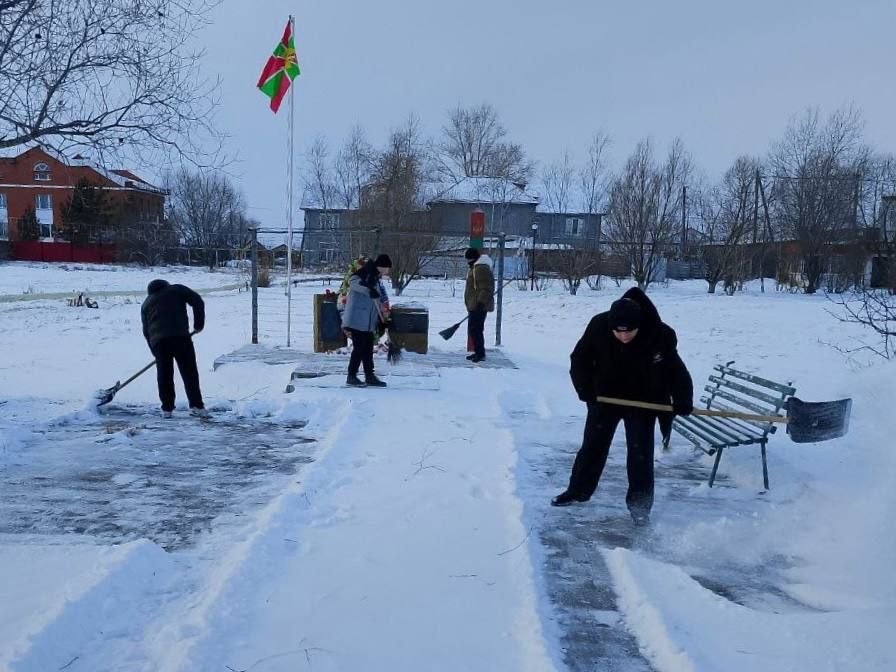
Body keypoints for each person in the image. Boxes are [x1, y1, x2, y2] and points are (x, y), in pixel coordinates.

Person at [551, 287, 693, 524]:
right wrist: (585, 388)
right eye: (618, 332)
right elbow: (579, 359)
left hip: (643, 401)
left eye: (630, 332)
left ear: (640, 325)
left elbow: (676, 371)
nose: (624, 337)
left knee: (640, 454)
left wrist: (683, 399)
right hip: (605, 398)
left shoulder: (660, 334)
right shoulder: (598, 326)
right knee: (592, 446)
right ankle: (578, 491)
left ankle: (640, 507)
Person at [141, 279, 207, 418]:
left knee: (164, 374)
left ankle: (167, 409)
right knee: (189, 372)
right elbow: (197, 301)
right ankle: (196, 406)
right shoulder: (176, 289)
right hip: (180, 337)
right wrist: (198, 324)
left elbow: (146, 331)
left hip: (159, 342)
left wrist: (155, 352)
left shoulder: (146, 304)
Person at [342, 254, 392, 387]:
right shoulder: (365, 273)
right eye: (388, 268)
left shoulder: (375, 277)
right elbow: (353, 282)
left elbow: (377, 299)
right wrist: (368, 290)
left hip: (367, 321)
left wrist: (383, 316)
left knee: (368, 348)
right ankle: (351, 376)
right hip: (357, 319)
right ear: (382, 266)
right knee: (359, 348)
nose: (388, 271)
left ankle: (369, 376)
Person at [463, 247, 495, 363]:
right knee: (474, 329)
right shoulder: (476, 267)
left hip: (479, 305)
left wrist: (481, 303)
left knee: (476, 329)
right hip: (474, 305)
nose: (467, 262)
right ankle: (478, 352)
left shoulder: (481, 268)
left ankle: (480, 354)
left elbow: (486, 287)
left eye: (468, 259)